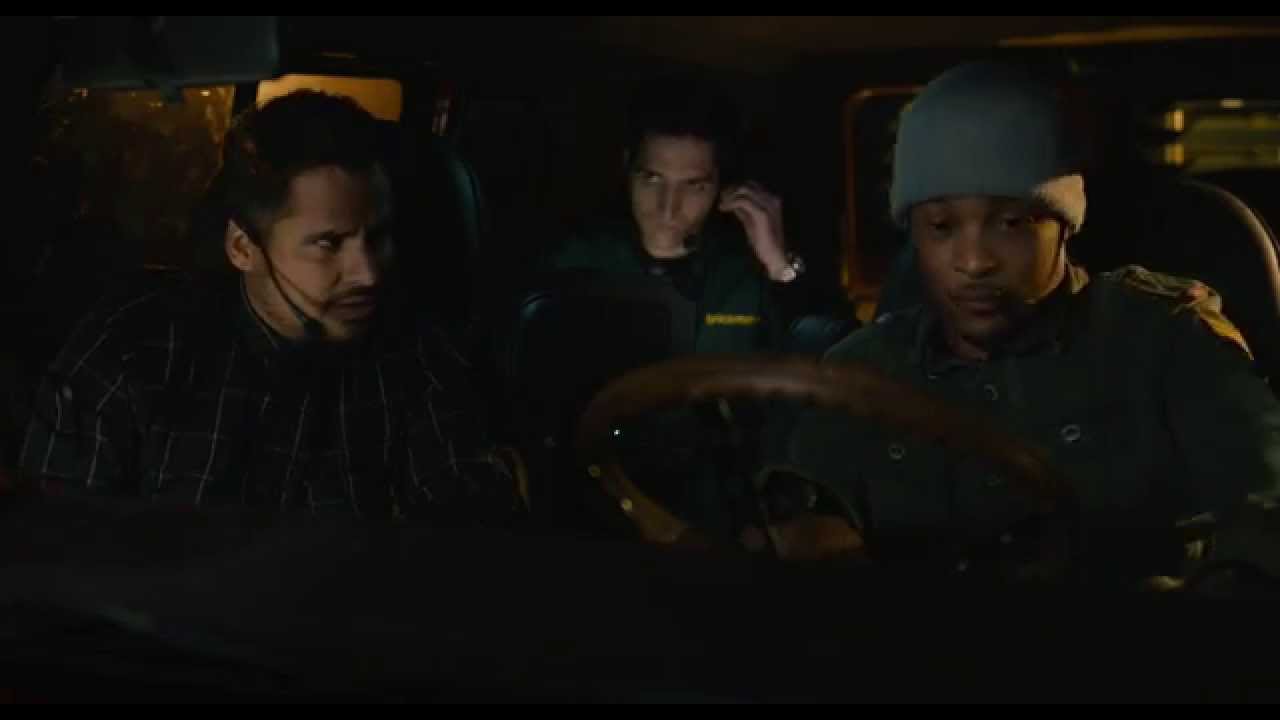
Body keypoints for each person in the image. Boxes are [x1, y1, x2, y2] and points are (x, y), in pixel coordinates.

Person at [780, 63, 1280, 583]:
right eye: (941, 227)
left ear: (1062, 225)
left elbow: (1267, 509)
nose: (974, 261)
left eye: (1011, 223)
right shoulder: (863, 373)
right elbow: (800, 528)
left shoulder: (1164, 340)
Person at [20, 90, 521, 524]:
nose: (368, 273)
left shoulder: (415, 357)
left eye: (378, 237)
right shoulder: (139, 347)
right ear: (243, 247)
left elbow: (462, 534)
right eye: (328, 243)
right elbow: (59, 546)